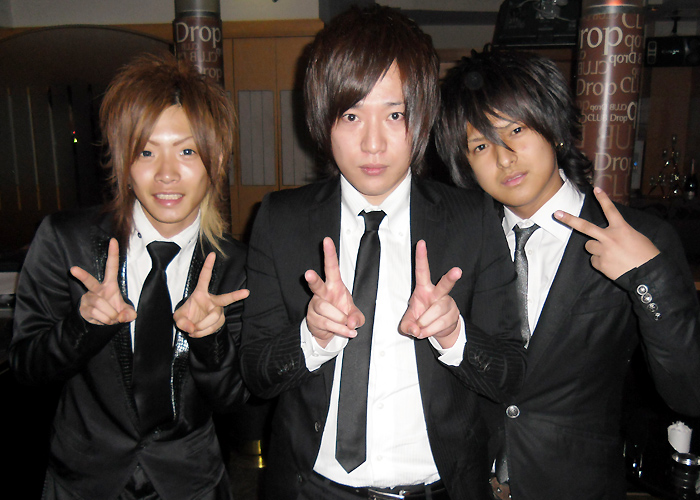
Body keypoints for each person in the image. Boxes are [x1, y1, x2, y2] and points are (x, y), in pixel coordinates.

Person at [240, 6, 526, 500]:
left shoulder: (472, 219)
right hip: (313, 489)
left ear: (422, 117)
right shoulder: (280, 220)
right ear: (322, 119)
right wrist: (310, 337)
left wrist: (455, 335)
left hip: (439, 489)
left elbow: (510, 376)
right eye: (351, 115)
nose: (373, 144)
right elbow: (256, 374)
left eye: (395, 115)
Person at [436, 48, 700, 499]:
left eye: (516, 130)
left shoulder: (639, 238)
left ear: (553, 128)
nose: (504, 158)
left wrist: (647, 277)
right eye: (480, 145)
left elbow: (689, 392)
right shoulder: (457, 243)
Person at [10, 52, 249, 500]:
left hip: (190, 483)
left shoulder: (236, 266)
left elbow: (235, 399)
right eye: (146, 152)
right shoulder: (66, 241)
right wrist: (82, 325)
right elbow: (26, 368)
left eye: (186, 151)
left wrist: (211, 339)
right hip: (83, 481)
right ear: (123, 162)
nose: (166, 174)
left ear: (215, 162)